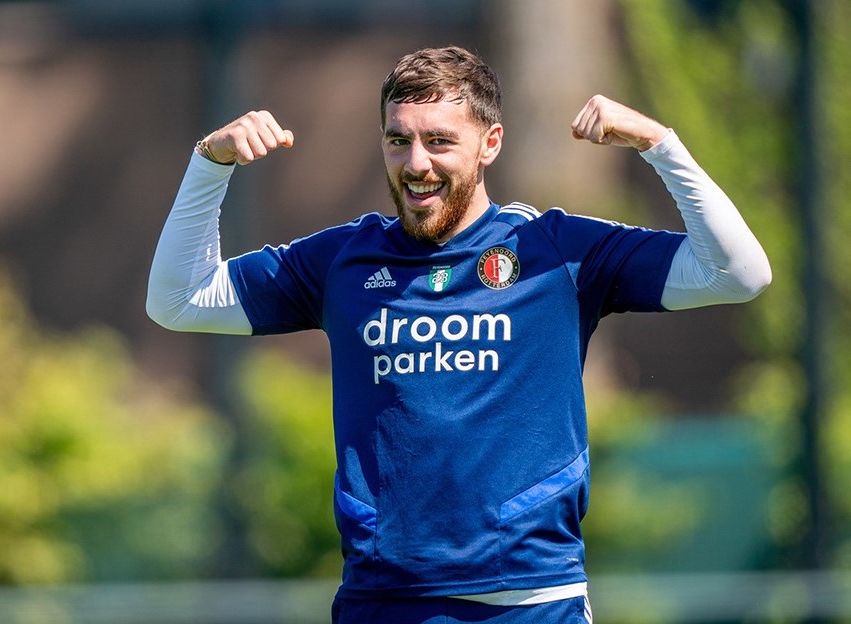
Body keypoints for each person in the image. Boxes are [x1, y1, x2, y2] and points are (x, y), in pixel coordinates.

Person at [147, 46, 771, 624]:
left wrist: (659, 144)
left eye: (439, 141)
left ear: (489, 143)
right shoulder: (343, 260)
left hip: (532, 600)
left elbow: (738, 273)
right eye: (399, 141)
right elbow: (179, 300)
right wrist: (211, 163)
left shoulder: (556, 251)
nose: (417, 164)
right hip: (382, 599)